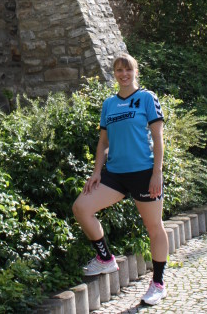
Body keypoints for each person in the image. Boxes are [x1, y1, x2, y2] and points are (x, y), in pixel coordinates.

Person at [72, 53, 168, 306]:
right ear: (114, 74)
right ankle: (105, 259)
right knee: (81, 207)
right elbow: (103, 142)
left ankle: (158, 283)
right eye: (118, 70)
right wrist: (96, 172)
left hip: (144, 173)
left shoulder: (147, 98)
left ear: (135, 71)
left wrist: (157, 172)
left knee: (154, 227)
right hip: (114, 174)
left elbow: (158, 138)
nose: (123, 74)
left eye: (127, 69)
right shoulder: (109, 104)